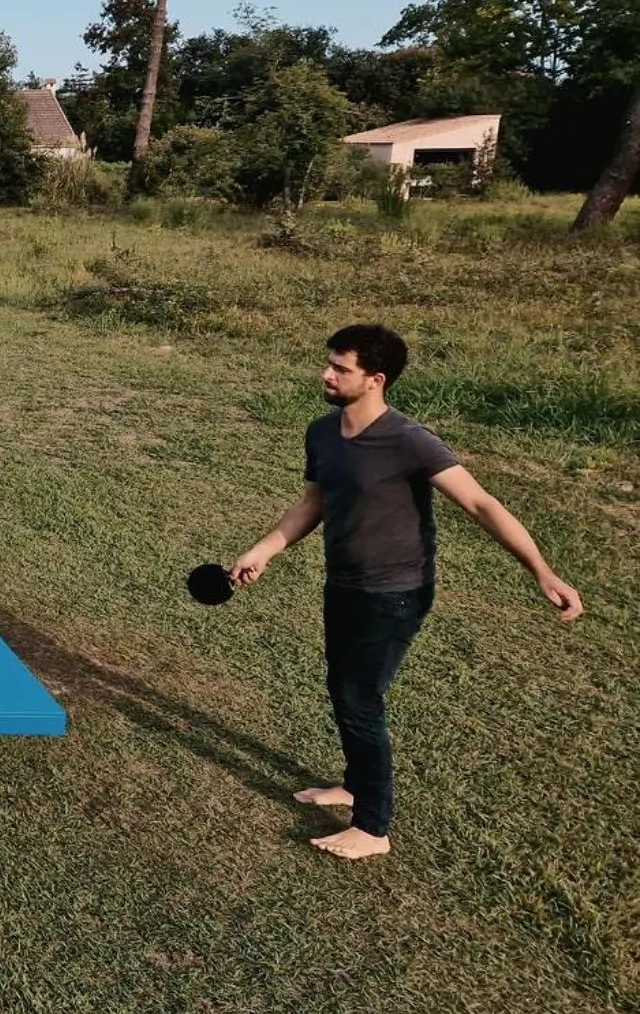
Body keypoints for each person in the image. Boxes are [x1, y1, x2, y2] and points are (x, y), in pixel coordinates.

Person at [230, 324, 582, 862]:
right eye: (328, 363)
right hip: (344, 581)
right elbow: (314, 503)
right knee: (346, 689)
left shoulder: (409, 440)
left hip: (395, 591)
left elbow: (481, 504)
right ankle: (354, 786)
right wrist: (265, 548)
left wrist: (542, 570)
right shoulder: (322, 433)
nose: (326, 374)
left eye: (340, 369)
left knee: (358, 696)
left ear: (375, 380)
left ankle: (373, 827)